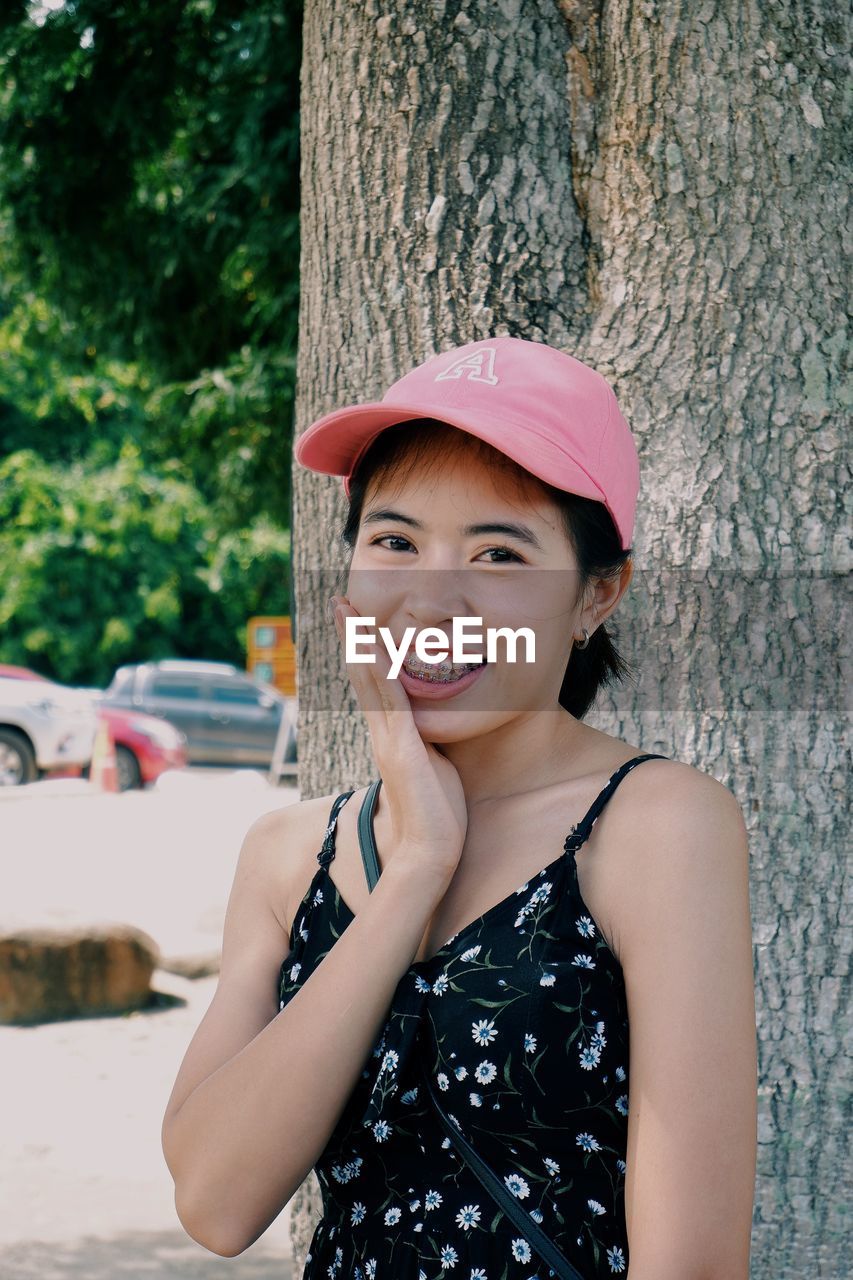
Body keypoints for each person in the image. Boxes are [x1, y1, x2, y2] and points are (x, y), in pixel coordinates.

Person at [161, 336, 758, 1279]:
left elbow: (694, 1261)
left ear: (595, 595)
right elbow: (215, 1202)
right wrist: (414, 871)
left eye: (499, 553)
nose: (433, 598)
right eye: (393, 541)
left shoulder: (655, 826)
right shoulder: (287, 854)